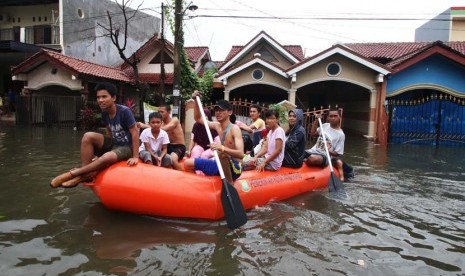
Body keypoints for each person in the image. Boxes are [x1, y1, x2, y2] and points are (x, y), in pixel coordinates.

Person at [51, 82, 140, 188]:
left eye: (104, 96)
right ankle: (85, 175)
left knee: (107, 157)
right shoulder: (104, 112)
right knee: (87, 136)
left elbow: (135, 133)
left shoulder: (125, 111)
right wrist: (103, 152)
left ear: (113, 98)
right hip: (115, 144)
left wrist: (135, 157)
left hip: (127, 147)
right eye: (98, 97)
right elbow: (109, 130)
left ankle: (75, 174)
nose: (100, 100)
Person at [184, 91, 244, 183]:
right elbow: (198, 118)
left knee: (223, 154)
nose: (218, 113)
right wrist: (196, 100)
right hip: (219, 163)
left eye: (221, 110)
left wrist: (222, 148)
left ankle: (229, 184)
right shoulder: (216, 125)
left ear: (230, 112)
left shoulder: (234, 129)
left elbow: (240, 154)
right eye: (216, 110)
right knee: (187, 163)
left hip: (234, 167)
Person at [138, 105, 186, 170]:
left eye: (162, 112)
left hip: (178, 146)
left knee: (172, 160)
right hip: (167, 146)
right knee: (164, 159)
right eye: (158, 111)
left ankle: (183, 175)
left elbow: (163, 129)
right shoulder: (160, 123)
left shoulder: (174, 120)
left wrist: (144, 125)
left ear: (169, 112)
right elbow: (155, 126)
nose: (159, 113)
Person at [304, 108, 345, 181]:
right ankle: (302, 159)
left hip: (325, 157)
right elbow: (313, 133)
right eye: (331, 116)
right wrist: (316, 120)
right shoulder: (325, 125)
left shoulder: (341, 135)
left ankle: (303, 160)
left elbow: (337, 154)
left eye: (335, 116)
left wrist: (328, 150)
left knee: (312, 158)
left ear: (339, 117)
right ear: (328, 117)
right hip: (312, 151)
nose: (333, 118)